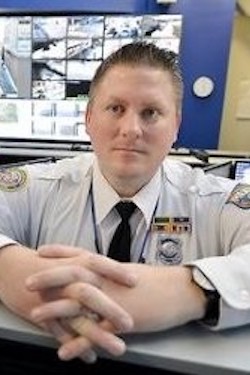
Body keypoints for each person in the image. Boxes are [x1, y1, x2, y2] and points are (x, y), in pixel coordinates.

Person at [1, 42, 250, 364]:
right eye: (116, 108)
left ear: (176, 126)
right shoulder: (39, 186)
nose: (131, 130)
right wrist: (7, 265)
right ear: (89, 118)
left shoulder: (214, 200)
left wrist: (190, 290)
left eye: (151, 113)